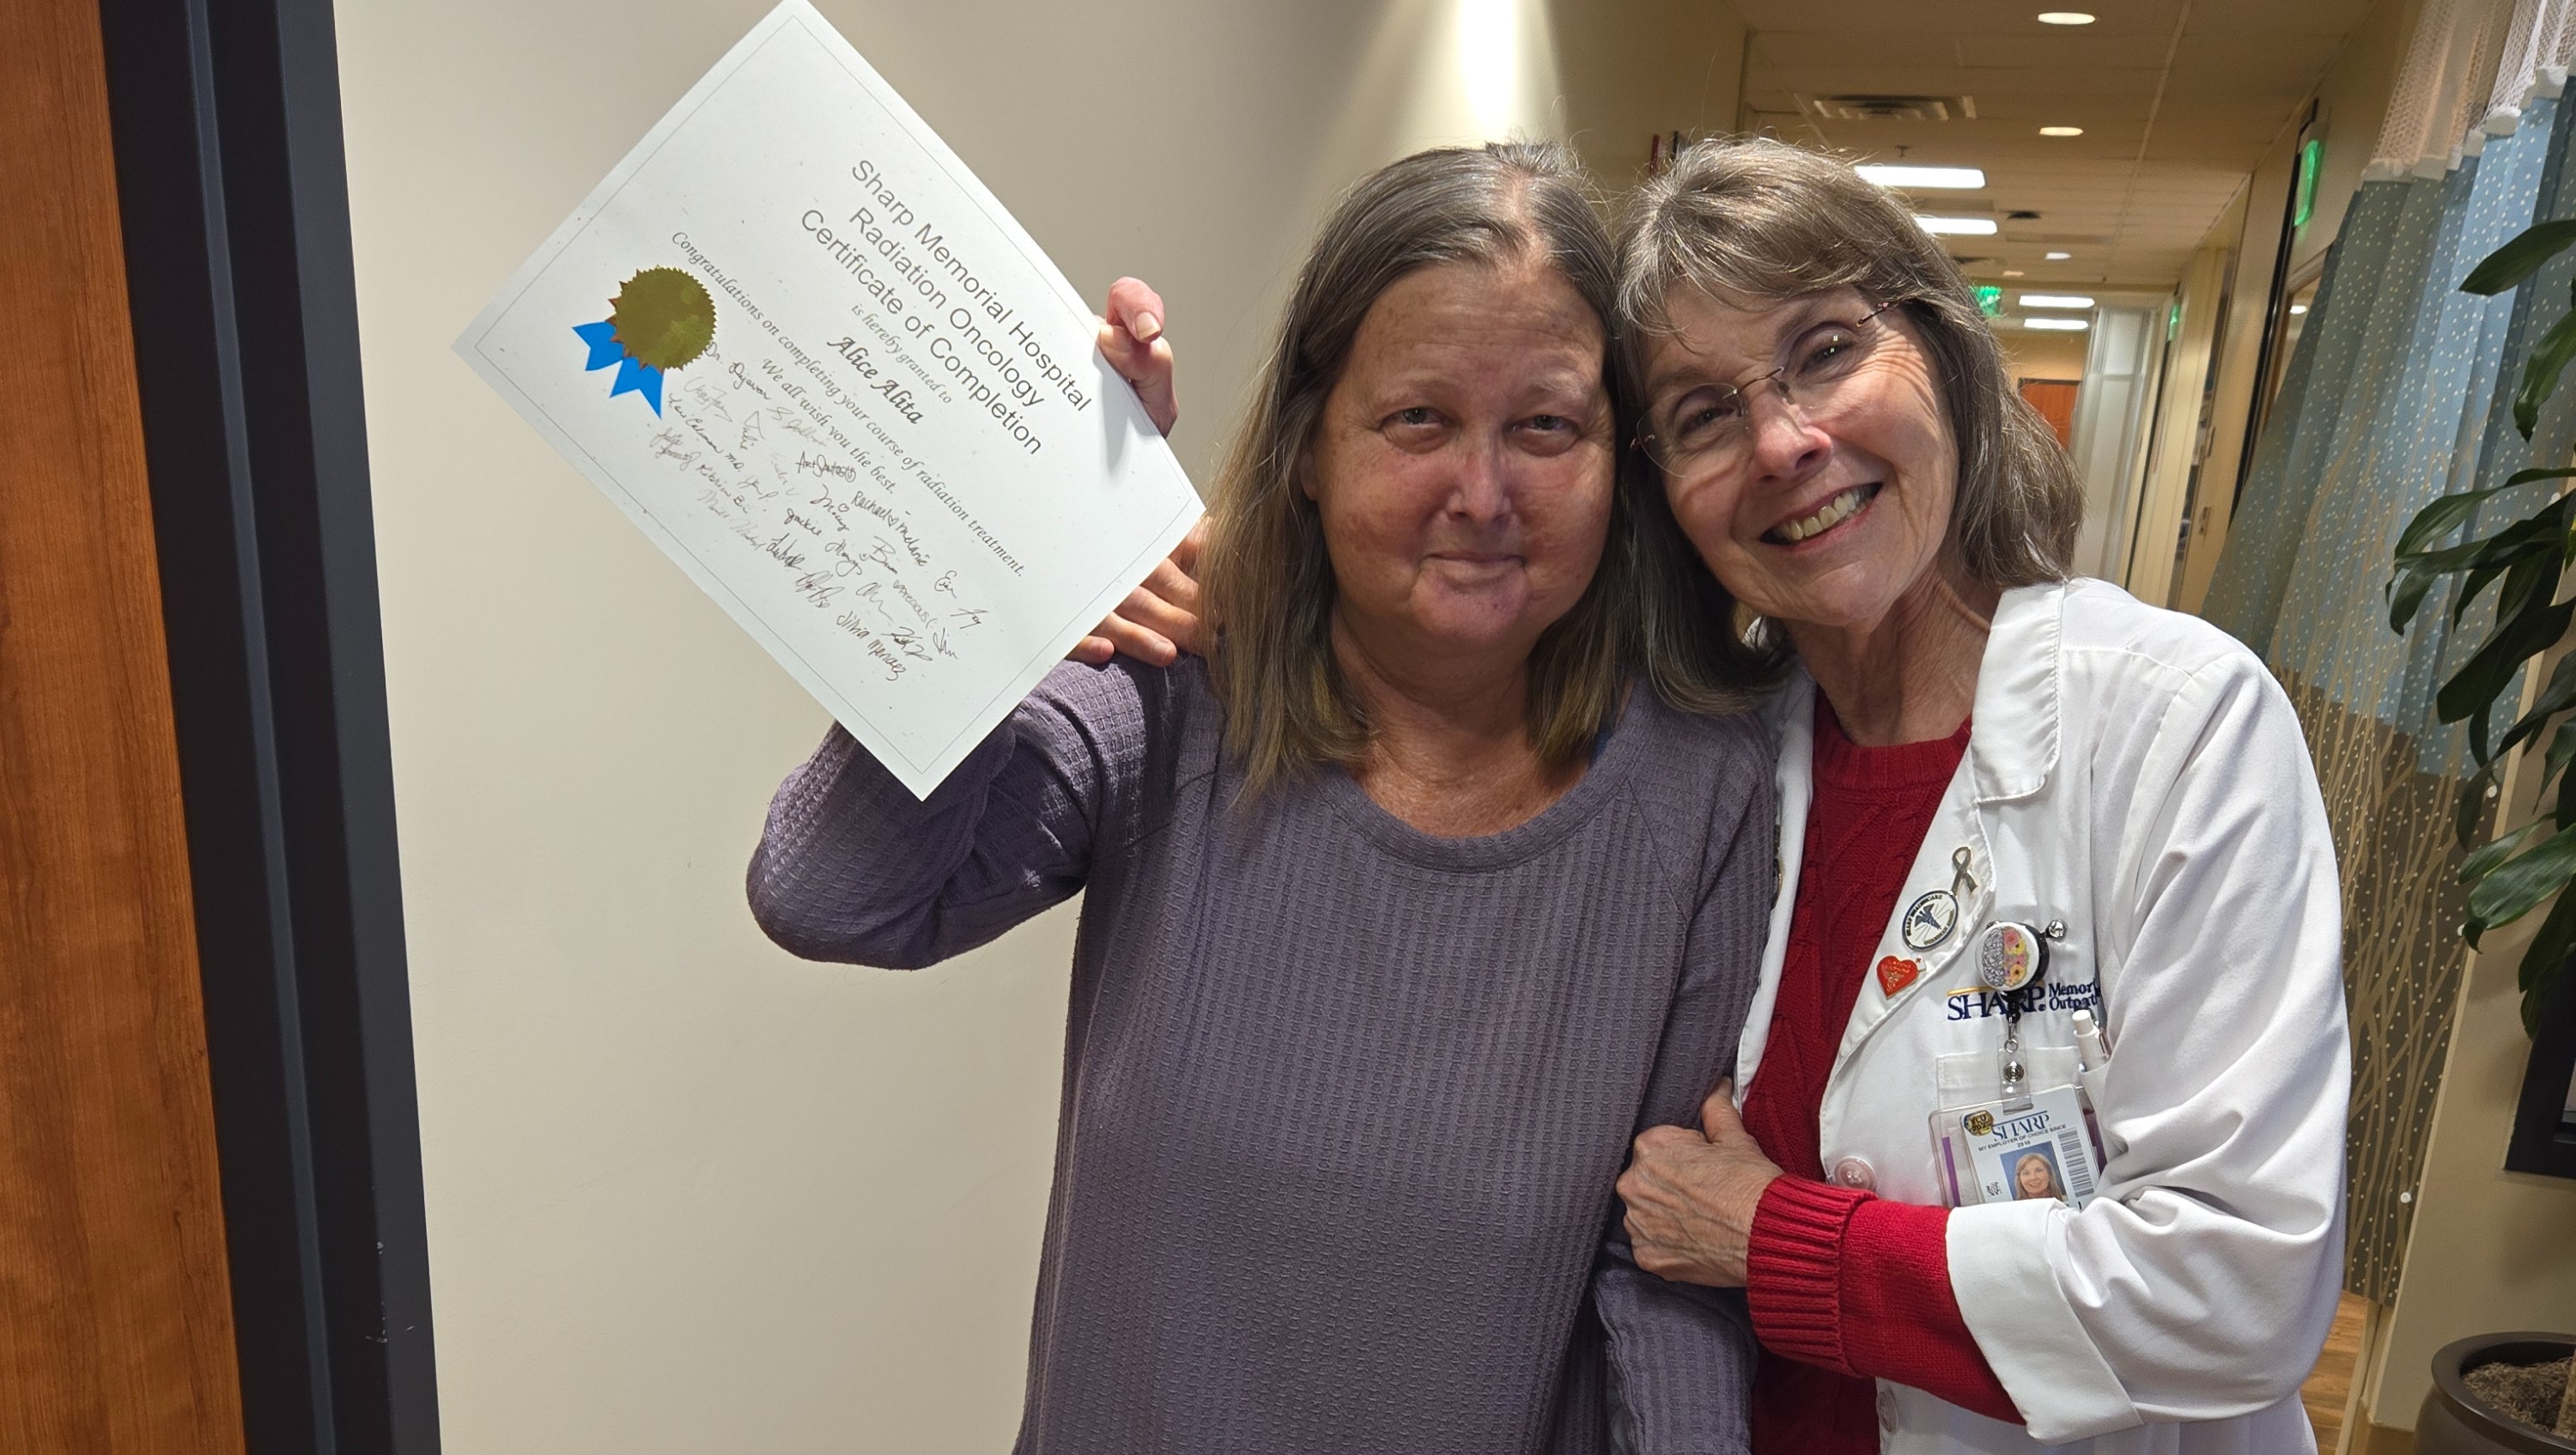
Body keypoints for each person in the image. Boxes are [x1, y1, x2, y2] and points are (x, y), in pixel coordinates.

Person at [747, 143, 1773, 1454]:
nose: (1483, 494)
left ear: (1615, 464)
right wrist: (1015, 545)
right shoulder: (1179, 690)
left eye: (1546, 427)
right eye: (1418, 419)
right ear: (1309, 447)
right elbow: (834, 894)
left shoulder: (1700, 791)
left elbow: (1667, 1268)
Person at [1606, 137, 2350, 1453]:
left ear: (1944, 354)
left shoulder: (2178, 726)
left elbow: (2239, 1287)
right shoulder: (1705, 768)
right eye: (1703, 415)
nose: (1783, 440)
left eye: (1826, 350)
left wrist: (1778, 1240)